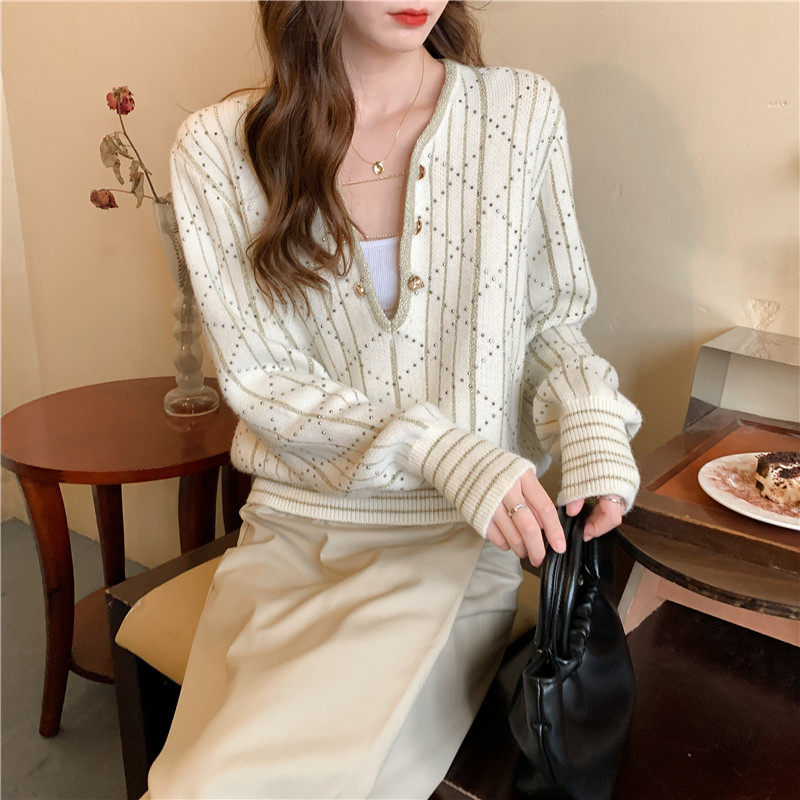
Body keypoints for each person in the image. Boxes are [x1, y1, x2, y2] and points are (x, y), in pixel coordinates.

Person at [142, 1, 643, 797]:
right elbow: (261, 376)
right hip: (297, 532)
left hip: (458, 539)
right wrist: (436, 448)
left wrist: (590, 421)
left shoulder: (519, 112)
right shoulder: (218, 147)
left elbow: (549, 322)